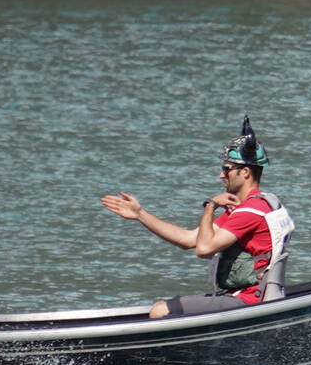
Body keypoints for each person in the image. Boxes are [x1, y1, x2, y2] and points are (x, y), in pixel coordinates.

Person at [99, 118, 295, 318]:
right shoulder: (257, 206)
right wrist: (140, 214)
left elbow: (203, 249)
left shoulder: (249, 212)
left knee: (160, 310)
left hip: (247, 300)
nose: (221, 175)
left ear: (245, 172)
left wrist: (210, 206)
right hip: (251, 297)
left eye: (227, 169)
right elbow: (188, 240)